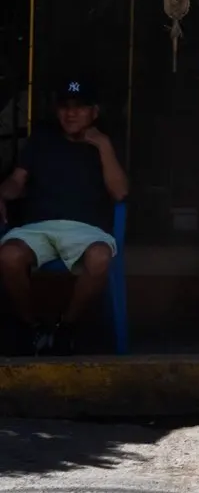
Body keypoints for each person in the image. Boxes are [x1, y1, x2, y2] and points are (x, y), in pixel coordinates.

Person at [0, 77, 128, 355]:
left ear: (94, 112)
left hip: (87, 230)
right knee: (8, 255)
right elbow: (16, 182)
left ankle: (65, 328)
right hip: (37, 228)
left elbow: (120, 194)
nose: (71, 113)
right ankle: (32, 328)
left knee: (100, 258)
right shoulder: (41, 140)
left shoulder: (106, 143)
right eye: (65, 107)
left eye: (80, 107)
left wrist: (103, 147)